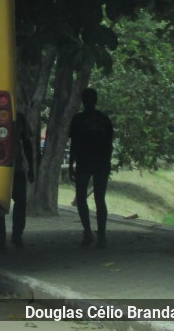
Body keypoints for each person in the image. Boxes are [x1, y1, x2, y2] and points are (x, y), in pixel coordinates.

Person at [68, 88, 114, 248]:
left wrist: (71, 165)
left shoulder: (78, 119)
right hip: (101, 163)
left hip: (84, 162)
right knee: (100, 199)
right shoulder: (104, 119)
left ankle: (87, 232)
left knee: (81, 198)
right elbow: (110, 144)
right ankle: (101, 236)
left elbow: (74, 143)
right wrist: (107, 162)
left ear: (83, 100)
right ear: (96, 100)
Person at [0, 111, 35, 250]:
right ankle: (1, 238)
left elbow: (26, 142)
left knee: (20, 202)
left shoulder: (19, 116)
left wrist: (31, 167)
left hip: (16, 168)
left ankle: (17, 235)